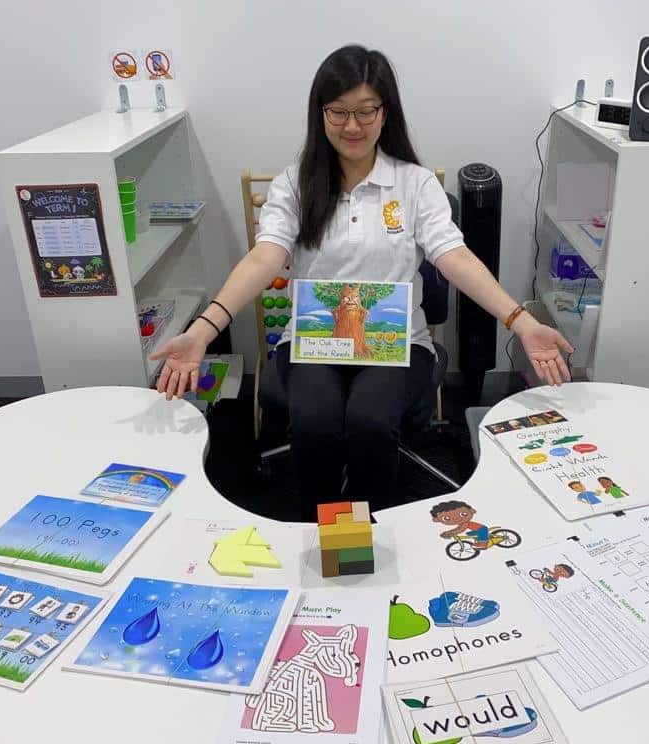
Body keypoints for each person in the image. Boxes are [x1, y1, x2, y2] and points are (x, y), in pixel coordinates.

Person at [150, 45, 573, 520]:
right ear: (321, 113)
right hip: (314, 342)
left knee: (369, 421)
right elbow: (264, 258)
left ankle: (372, 536)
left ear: (385, 113)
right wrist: (202, 331)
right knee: (315, 423)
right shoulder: (296, 184)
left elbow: (454, 258)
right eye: (339, 111)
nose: (352, 125)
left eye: (366, 110)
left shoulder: (415, 184)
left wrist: (520, 322)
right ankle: (325, 536)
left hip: (397, 343)